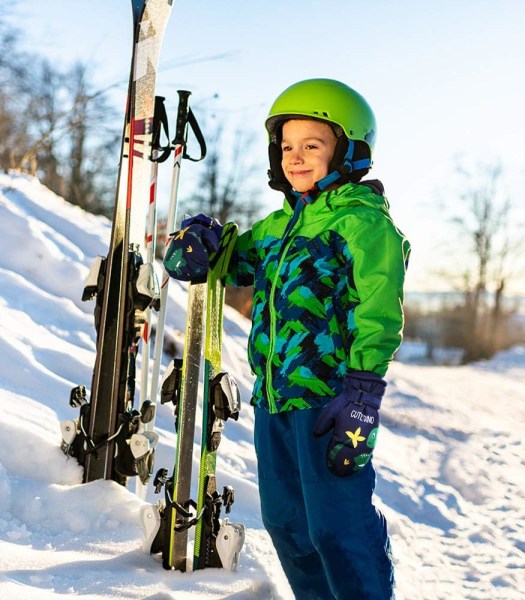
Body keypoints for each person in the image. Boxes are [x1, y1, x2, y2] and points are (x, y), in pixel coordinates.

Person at [164, 78, 411, 599]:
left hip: (333, 402)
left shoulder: (363, 224)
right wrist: (200, 245)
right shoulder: (279, 226)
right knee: (288, 528)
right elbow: (229, 263)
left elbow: (379, 311)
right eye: (287, 146)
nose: (296, 157)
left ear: (348, 151)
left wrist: (363, 395)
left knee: (336, 528)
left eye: (312, 145)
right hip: (274, 399)